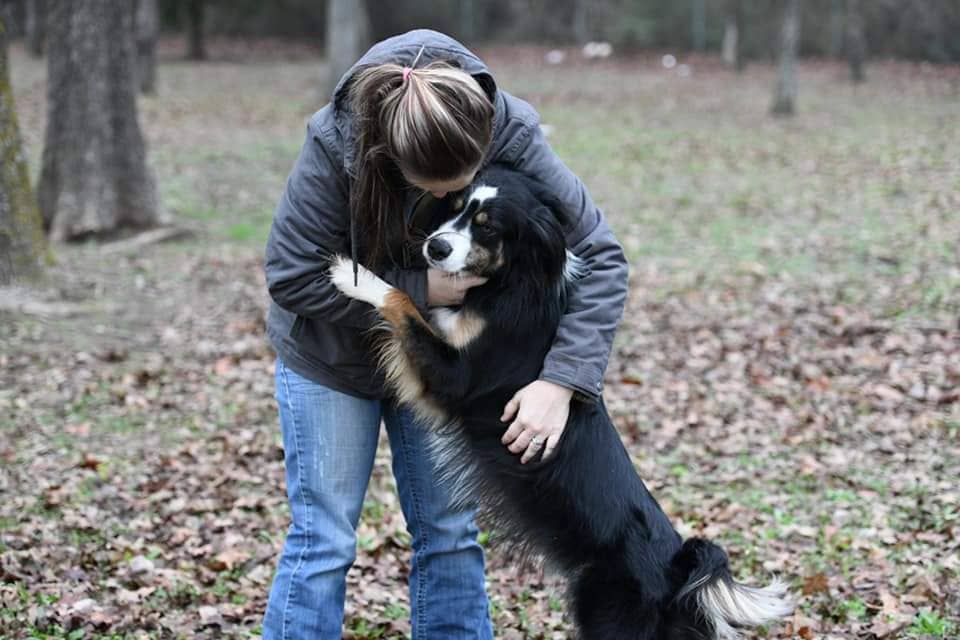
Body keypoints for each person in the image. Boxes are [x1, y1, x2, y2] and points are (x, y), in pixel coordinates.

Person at [262, 29, 628, 640]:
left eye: (467, 184)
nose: (454, 201)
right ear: (390, 157)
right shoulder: (334, 142)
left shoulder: (510, 129)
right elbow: (290, 274)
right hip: (331, 360)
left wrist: (563, 380)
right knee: (322, 540)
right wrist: (419, 291)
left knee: (450, 535)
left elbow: (602, 257)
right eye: (441, 192)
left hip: (446, 370)